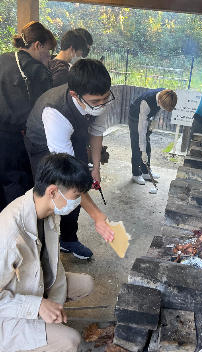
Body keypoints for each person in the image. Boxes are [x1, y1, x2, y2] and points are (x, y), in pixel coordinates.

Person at [0, 153, 95, 352]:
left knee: (86, 283)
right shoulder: (8, 235)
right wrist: (38, 306)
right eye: (76, 195)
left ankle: (40, 327)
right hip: (6, 307)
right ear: (53, 191)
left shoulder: (47, 211)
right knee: (68, 344)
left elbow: (51, 264)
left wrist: (51, 304)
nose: (78, 201)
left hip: (29, 286)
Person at [24, 59, 115, 260]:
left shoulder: (99, 97)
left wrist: (95, 169)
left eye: (105, 99)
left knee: (81, 182)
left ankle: (68, 239)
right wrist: (97, 215)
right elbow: (67, 176)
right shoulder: (55, 112)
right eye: (95, 102)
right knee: (53, 191)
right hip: (42, 143)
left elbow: (97, 133)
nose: (102, 105)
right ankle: (38, 245)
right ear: (75, 94)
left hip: (74, 137)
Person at [0, 21, 55, 212]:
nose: (48, 58)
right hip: (18, 142)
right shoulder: (38, 71)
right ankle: (18, 234)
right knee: (18, 189)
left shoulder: (2, 59)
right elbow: (45, 113)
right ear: (37, 45)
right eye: (47, 52)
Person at [128, 88, 177, 186]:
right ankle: (136, 174)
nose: (163, 109)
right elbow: (141, 131)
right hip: (136, 118)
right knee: (138, 145)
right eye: (163, 107)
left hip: (147, 117)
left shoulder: (166, 95)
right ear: (159, 101)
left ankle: (145, 171)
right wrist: (143, 151)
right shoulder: (145, 103)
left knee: (147, 144)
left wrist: (154, 122)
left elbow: (159, 110)